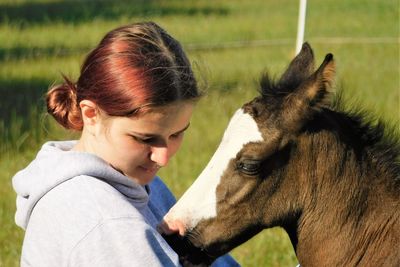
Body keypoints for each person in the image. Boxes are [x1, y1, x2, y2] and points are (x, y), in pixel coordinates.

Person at [12, 21, 239, 267]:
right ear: (91, 115)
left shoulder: (131, 178)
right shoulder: (103, 219)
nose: (163, 158)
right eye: (145, 139)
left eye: (176, 134)